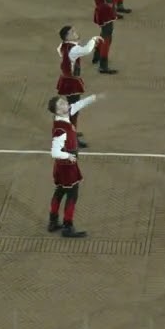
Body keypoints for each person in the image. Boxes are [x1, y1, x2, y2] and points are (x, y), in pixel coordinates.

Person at [48, 93, 103, 238]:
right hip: (67, 166)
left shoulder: (64, 115)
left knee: (60, 191)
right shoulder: (60, 129)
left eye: (63, 102)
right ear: (57, 111)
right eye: (61, 105)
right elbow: (55, 151)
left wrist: (94, 98)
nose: (65, 104)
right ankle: (68, 226)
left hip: (61, 166)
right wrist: (69, 156)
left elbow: (77, 105)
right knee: (72, 194)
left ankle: (53, 221)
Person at [57, 25, 102, 148]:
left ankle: (72, 132)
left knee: (72, 109)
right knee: (73, 111)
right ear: (67, 37)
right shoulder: (73, 49)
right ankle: (71, 138)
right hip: (72, 84)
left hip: (66, 81)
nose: (75, 32)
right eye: (72, 32)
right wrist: (94, 39)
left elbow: (61, 51)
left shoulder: (63, 46)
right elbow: (87, 50)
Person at [87, 0, 121, 74]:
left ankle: (97, 54)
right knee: (107, 36)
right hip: (105, 10)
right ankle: (103, 65)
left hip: (103, 9)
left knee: (104, 33)